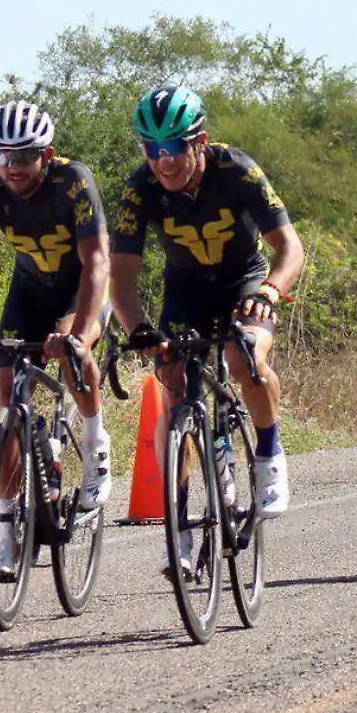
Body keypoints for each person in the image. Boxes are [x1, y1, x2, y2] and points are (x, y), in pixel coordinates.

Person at [109, 83, 305, 566]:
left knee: (244, 358)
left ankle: (267, 453)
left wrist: (271, 291)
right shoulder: (141, 188)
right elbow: (122, 277)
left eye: (174, 146)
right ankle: (177, 527)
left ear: (201, 140)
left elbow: (291, 248)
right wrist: (140, 332)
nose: (164, 161)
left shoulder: (237, 170)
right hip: (187, 290)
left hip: (245, 283)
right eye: (151, 149)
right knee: (174, 390)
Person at [0, 101, 112, 581]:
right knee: (6, 391)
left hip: (82, 289)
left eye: (22, 157)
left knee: (71, 351)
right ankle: (5, 527)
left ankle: (94, 440)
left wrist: (78, 331)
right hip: (29, 293)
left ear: (48, 154)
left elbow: (98, 263)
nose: (12, 168)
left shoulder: (73, 181)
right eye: (1, 157)